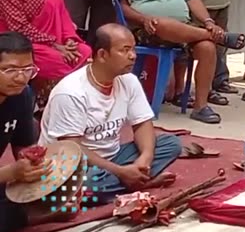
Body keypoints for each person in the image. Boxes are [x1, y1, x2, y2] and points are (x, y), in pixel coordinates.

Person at [114, 0, 244, 124]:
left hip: (184, 30)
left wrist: (208, 21)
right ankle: (218, 37)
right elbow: (122, 6)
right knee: (161, 23)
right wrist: (143, 18)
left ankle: (201, 106)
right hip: (146, 28)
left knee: (208, 48)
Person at [41, 24, 183, 196]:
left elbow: (142, 124)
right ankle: (137, 182)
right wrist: (121, 172)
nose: (133, 56)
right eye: (124, 50)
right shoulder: (70, 92)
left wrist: (145, 159)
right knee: (87, 183)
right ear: (102, 55)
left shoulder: (128, 80)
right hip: (70, 164)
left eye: (133, 49)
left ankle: (131, 179)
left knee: (171, 144)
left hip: (113, 158)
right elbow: (72, 148)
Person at [0, 32, 63, 232]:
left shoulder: (22, 95)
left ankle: (33, 210)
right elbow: (12, 172)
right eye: (9, 70)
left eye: (27, 70)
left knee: (62, 191)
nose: (20, 78)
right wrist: (12, 173)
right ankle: (34, 215)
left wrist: (40, 174)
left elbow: (24, 150)